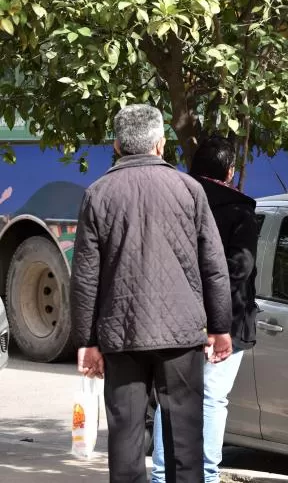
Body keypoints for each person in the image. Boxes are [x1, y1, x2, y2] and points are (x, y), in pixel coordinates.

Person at [70, 105, 232, 483]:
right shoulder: (189, 189)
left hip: (121, 333)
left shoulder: (97, 194)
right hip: (181, 334)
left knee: (125, 442)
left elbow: (84, 277)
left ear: (116, 145)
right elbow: (214, 265)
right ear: (161, 144)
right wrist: (220, 326)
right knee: (185, 448)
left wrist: (86, 341)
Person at [151, 136, 260, 483]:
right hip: (227, 319)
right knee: (212, 399)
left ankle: (161, 475)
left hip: (173, 316)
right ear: (229, 172)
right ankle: (208, 476)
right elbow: (239, 269)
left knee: (171, 397)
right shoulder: (240, 210)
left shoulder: (168, 200)